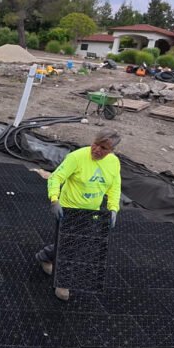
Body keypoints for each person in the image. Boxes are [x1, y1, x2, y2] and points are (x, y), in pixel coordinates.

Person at [35, 128, 122, 301]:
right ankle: (62, 283)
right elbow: (56, 177)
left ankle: (45, 256)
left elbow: (114, 187)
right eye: (96, 144)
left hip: (92, 212)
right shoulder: (76, 157)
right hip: (68, 210)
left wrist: (113, 209)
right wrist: (54, 199)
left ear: (111, 151)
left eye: (103, 148)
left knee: (75, 243)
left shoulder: (113, 163)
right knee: (71, 247)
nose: (97, 150)